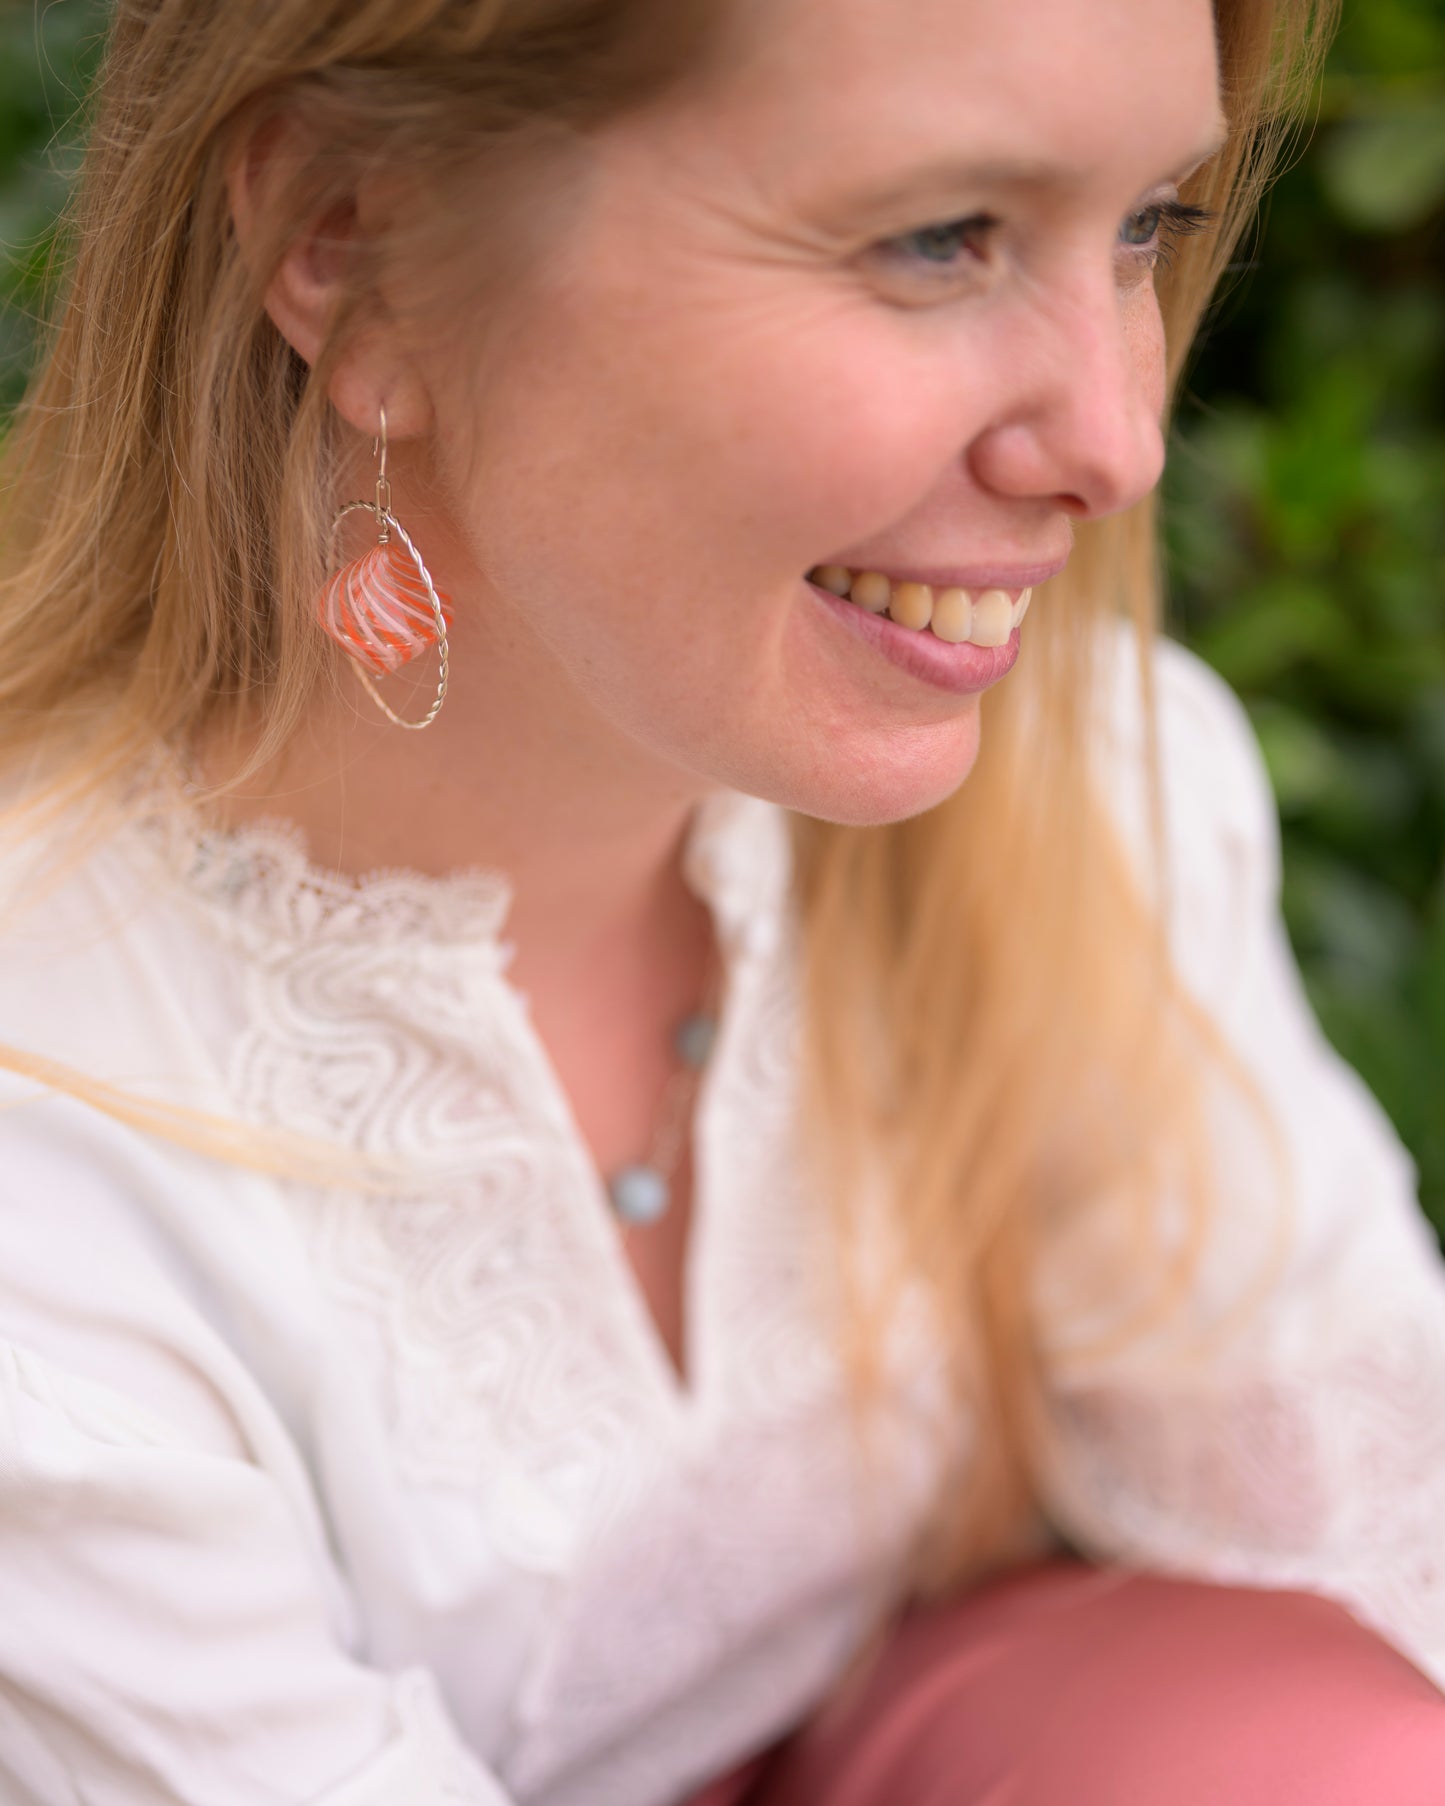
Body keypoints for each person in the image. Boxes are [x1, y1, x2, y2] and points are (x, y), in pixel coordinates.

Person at [0, 0, 1442, 1801]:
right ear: (350, 240)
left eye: (1143, 223)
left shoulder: (1077, 797)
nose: (1116, 437)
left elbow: (1380, 1541)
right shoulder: (45, 1180)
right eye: (937, 237)